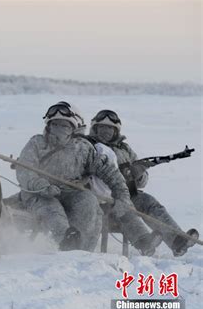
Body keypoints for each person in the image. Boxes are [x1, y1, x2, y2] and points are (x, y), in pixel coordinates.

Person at [15, 101, 162, 254]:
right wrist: (41, 185)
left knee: (88, 200)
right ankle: (66, 241)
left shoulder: (84, 148)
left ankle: (83, 252)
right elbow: (24, 170)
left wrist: (122, 196)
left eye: (65, 125)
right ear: (48, 125)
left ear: (73, 127)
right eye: (56, 124)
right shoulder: (36, 143)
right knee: (51, 208)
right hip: (39, 193)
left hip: (71, 192)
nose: (59, 129)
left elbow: (111, 173)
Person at [88, 109, 199, 256]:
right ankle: (144, 242)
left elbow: (142, 179)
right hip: (102, 200)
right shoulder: (88, 147)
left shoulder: (124, 149)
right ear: (95, 128)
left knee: (148, 201)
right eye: (102, 127)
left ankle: (177, 241)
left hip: (128, 194)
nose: (106, 131)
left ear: (116, 131)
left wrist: (138, 176)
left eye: (110, 128)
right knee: (126, 207)